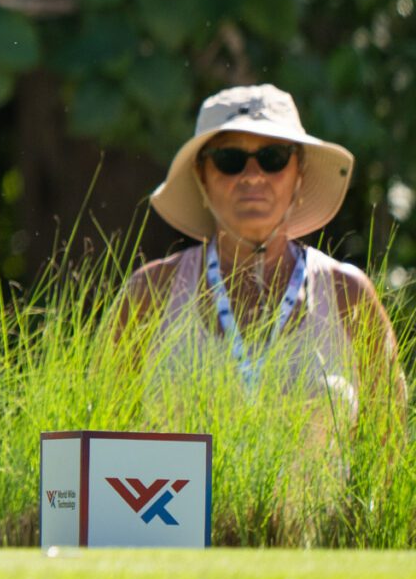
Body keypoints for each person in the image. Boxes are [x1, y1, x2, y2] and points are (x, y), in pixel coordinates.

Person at [119, 85, 406, 415]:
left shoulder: (347, 295)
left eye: (273, 157)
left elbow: (389, 453)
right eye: (230, 160)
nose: (253, 176)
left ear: (299, 174)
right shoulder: (150, 295)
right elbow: (101, 443)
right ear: (201, 176)